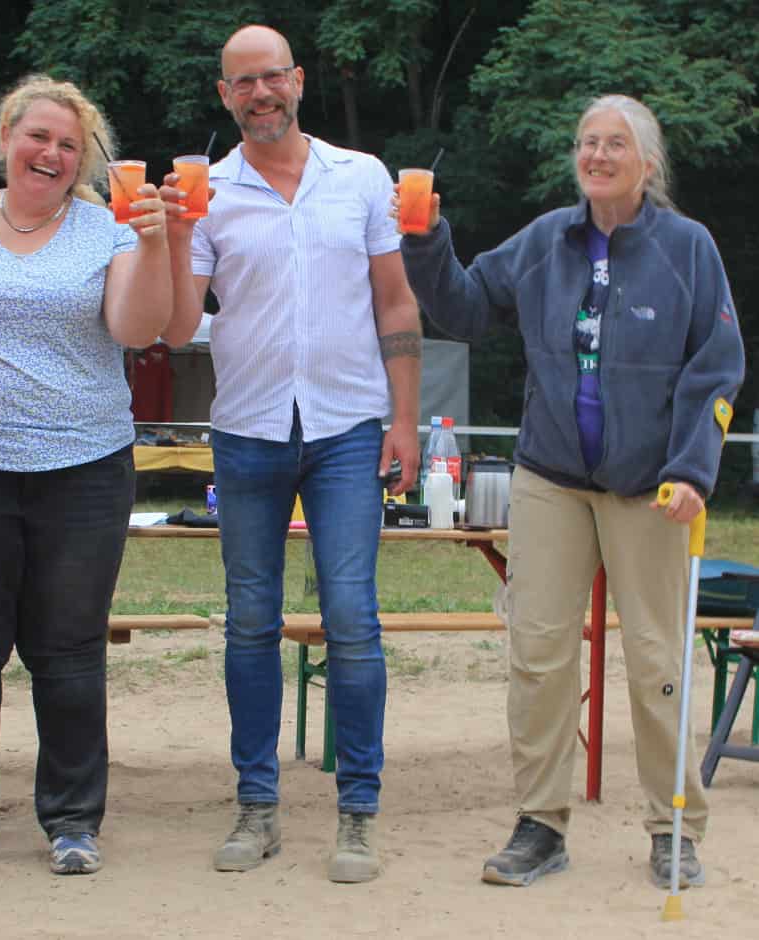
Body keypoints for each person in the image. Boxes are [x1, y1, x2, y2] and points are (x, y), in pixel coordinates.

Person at [398, 94, 745, 888]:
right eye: (587, 142)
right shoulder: (545, 240)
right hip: (550, 475)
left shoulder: (688, 248)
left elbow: (717, 366)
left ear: (646, 164)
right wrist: (424, 240)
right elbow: (465, 307)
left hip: (651, 486)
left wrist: (693, 468)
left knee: (657, 657)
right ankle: (540, 825)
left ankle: (673, 827)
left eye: (614, 144)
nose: (596, 155)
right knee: (538, 651)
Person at [160, 25, 424, 884]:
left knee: (352, 619)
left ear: (299, 81)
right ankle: (257, 807)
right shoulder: (208, 191)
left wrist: (407, 420)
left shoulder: (363, 176)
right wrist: (165, 233)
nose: (261, 93)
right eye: (244, 83)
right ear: (224, 95)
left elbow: (395, 301)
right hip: (246, 429)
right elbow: (172, 326)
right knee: (249, 623)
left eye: (273, 77)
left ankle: (358, 815)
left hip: (349, 426)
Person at [0, 74, 175, 883]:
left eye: (68, 144)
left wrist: (157, 242)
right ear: (5, 141)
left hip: (83, 467)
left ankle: (72, 821)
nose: (50, 153)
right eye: (37, 137)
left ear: (82, 159)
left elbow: (138, 327)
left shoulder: (110, 231)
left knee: (68, 650)